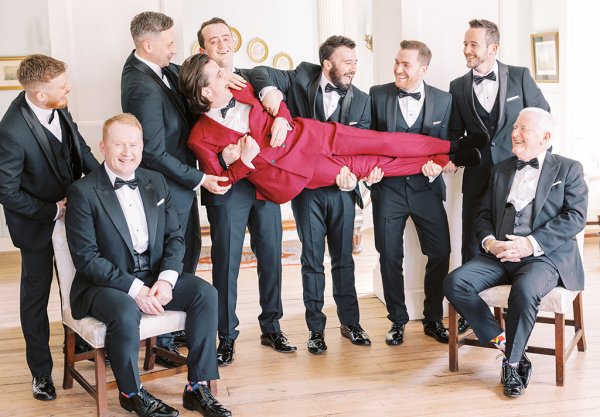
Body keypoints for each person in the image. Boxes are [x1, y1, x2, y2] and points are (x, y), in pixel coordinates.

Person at [65, 113, 232, 417]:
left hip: (154, 274)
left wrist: (167, 280)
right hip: (103, 284)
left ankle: (197, 387)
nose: (127, 152)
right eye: (119, 145)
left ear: (142, 146)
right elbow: (87, 258)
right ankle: (132, 393)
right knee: (125, 308)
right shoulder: (83, 192)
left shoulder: (156, 181)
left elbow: (175, 237)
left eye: (133, 144)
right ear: (103, 146)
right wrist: (136, 289)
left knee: (205, 294)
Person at [179, 54, 483, 207]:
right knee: (374, 165)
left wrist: (283, 116)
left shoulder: (238, 84)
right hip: (297, 169)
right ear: (205, 93)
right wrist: (242, 160)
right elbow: (219, 182)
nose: (226, 73)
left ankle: (452, 146)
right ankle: (449, 161)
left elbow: (272, 96)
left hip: (312, 133)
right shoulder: (199, 138)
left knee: (385, 141)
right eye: (218, 74)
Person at [443, 108, 587, 398]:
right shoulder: (501, 168)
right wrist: (490, 243)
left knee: (523, 291)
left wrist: (530, 244)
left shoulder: (568, 169)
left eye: (524, 129)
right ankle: (504, 344)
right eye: (515, 127)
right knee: (454, 283)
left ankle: (511, 363)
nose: (515, 134)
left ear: (545, 137)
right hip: (499, 253)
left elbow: (575, 217)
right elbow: (482, 215)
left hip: (544, 256)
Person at [249, 35, 376, 354]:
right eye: (347, 62)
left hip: (344, 192)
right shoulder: (301, 77)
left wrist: (357, 176)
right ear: (327, 64)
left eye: (356, 62)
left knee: (344, 260)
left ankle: (351, 324)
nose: (353, 68)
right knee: (312, 261)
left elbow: (365, 146)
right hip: (307, 191)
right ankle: (315, 330)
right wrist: (275, 101)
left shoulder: (362, 100)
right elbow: (258, 71)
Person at [121, 11, 231, 364]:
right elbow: (152, 152)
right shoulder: (140, 86)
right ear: (148, 44)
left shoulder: (161, 69)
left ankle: (176, 325)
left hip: (180, 186)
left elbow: (190, 89)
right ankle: (163, 340)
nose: (174, 49)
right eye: (169, 44)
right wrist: (198, 177)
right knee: (172, 257)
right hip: (167, 189)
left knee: (187, 252)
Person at [0, 54, 99, 401]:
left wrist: (104, 184)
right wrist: (50, 211)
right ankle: (41, 373)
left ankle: (84, 342)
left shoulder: (60, 105)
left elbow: (80, 149)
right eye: (61, 85)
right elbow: (6, 191)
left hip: (75, 216)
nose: (68, 88)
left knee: (82, 281)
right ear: (41, 94)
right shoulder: (11, 130)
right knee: (35, 299)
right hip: (38, 224)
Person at [197, 17, 296, 364]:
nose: (223, 45)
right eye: (214, 41)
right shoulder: (198, 86)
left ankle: (272, 326)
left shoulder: (256, 76)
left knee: (272, 254)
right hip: (227, 186)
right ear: (202, 50)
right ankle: (226, 335)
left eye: (226, 38)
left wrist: (282, 114)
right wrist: (222, 157)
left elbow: (277, 98)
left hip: (264, 183)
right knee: (226, 262)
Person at [369, 40, 454, 345]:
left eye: (406, 64)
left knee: (441, 251)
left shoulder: (444, 100)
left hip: (425, 189)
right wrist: (370, 171)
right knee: (390, 255)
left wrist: (440, 164)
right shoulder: (377, 95)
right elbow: (368, 140)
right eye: (396, 62)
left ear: (423, 68)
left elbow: (447, 143)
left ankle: (433, 317)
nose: (398, 69)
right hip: (387, 189)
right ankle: (398, 320)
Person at [448, 19, 550, 264]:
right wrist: (453, 159)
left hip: (517, 175)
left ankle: (515, 295)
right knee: (472, 245)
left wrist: (538, 167)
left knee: (514, 240)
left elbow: (543, 119)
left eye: (473, 44)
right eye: (465, 44)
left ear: (493, 49)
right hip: (477, 179)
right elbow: (454, 136)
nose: (467, 50)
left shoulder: (520, 76)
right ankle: (469, 296)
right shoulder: (457, 86)